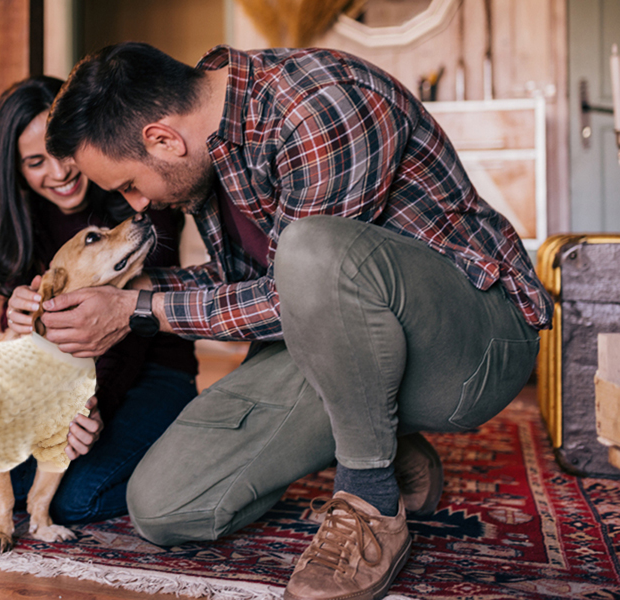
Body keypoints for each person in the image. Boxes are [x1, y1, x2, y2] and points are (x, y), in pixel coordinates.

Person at [38, 43, 553, 599]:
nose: (137, 205)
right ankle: (395, 448)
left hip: (475, 344)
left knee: (308, 251)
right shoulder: (210, 150)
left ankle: (370, 499)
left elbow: (298, 288)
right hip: (342, 345)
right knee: (165, 505)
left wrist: (141, 311)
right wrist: (114, 296)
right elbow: (249, 290)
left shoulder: (318, 103)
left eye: (129, 185)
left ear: (164, 139)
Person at [0, 75, 199, 526]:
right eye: (35, 162)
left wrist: (91, 410)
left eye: (62, 152)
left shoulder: (137, 198)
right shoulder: (22, 216)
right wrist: (16, 314)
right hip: (54, 383)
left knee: (75, 498)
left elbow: (128, 338)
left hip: (149, 367)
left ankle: (185, 449)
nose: (58, 173)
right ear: (16, 170)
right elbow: (25, 335)